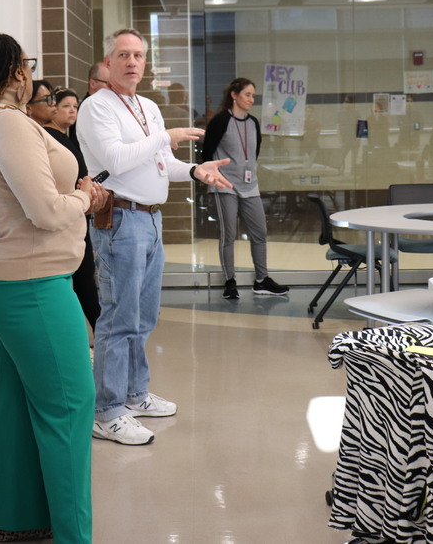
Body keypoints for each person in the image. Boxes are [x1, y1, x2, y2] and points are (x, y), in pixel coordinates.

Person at [0, 35, 105, 543]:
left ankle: (20, 523)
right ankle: (72, 536)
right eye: (27, 65)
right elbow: (44, 210)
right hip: (31, 282)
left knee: (17, 397)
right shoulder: (9, 123)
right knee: (70, 404)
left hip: (0, 274)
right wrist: (84, 199)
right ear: (17, 72)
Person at [76, 28, 232, 445]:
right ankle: (106, 412)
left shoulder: (146, 106)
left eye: (139, 56)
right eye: (123, 55)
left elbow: (163, 162)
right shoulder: (96, 107)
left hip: (151, 220)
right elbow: (116, 160)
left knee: (143, 318)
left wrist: (196, 171)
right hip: (121, 220)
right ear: (107, 63)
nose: (132, 62)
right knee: (117, 318)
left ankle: (134, 394)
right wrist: (166, 137)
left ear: (146, 63)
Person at [201, 78, 289, 300]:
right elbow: (207, 155)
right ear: (234, 95)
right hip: (225, 187)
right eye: (247, 94)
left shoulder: (253, 123)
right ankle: (230, 282)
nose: (251, 99)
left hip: (250, 186)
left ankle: (262, 280)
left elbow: (254, 153)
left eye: (253, 96)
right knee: (228, 235)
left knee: (259, 233)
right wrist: (216, 179)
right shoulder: (221, 121)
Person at [27, 81, 101, 331]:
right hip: (60, 219)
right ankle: (100, 331)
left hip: (75, 213)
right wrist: (83, 197)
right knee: (80, 278)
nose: (69, 109)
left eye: (74, 106)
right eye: (48, 100)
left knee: (83, 274)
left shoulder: (61, 137)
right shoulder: (40, 137)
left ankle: (99, 331)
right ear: (27, 106)